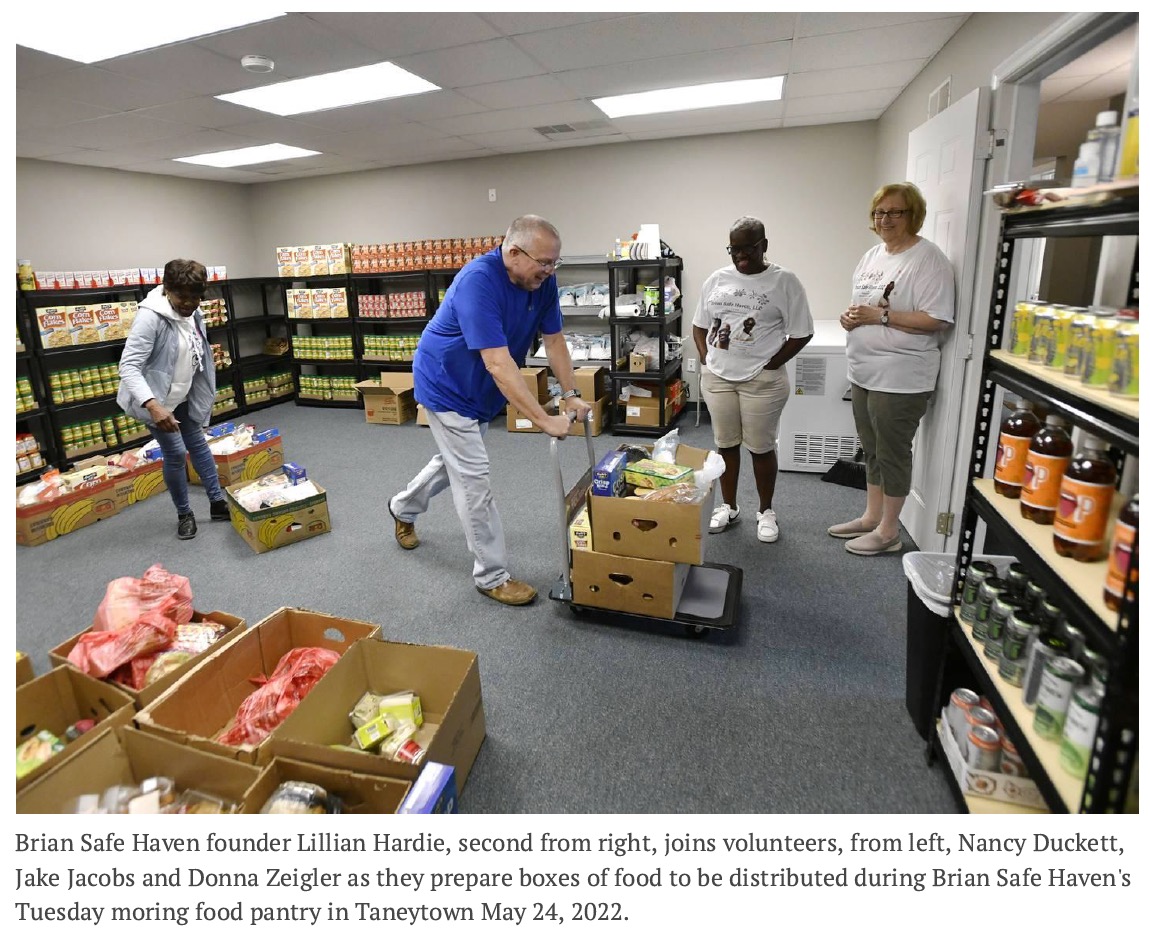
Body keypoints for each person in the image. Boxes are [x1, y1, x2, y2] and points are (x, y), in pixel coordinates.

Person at [388, 215, 593, 606]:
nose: (550, 272)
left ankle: (402, 507)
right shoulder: (477, 282)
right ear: (513, 252)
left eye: (555, 263)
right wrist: (543, 419)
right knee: (473, 479)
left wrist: (570, 393)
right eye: (543, 263)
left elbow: (555, 342)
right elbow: (499, 363)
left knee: (455, 465)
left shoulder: (541, 282)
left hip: (481, 389)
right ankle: (491, 575)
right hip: (447, 384)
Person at [831, 182, 955, 556]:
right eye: (879, 212)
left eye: (894, 212)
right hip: (863, 370)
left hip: (901, 375)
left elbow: (937, 318)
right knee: (870, 449)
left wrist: (880, 316)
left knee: (892, 452)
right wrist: (850, 317)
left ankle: (888, 532)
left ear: (912, 215)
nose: (885, 219)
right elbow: (864, 306)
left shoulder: (928, 259)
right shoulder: (872, 256)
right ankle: (871, 516)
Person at [692, 217, 813, 543]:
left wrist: (770, 364)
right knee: (725, 444)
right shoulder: (717, 279)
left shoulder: (784, 281)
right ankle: (729, 507)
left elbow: (802, 332)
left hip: (762, 381)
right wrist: (705, 357)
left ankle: (766, 511)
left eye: (749, 248)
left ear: (764, 246)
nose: (741, 255)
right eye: (735, 249)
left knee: (760, 448)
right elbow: (699, 325)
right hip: (718, 378)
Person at [117, 258, 230, 540]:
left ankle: (217, 503)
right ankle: (184, 513)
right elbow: (128, 366)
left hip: (183, 394)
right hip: (156, 400)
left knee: (198, 444)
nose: (189, 303)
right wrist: (153, 406)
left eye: (196, 297)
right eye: (182, 296)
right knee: (176, 453)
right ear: (167, 288)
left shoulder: (194, 312)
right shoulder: (150, 316)